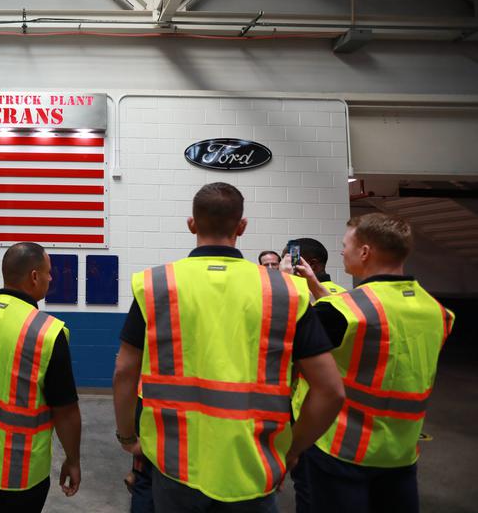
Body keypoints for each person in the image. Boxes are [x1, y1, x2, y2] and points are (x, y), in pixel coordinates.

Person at [113, 182, 346, 512]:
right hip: (254, 463)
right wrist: (292, 450)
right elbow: (331, 390)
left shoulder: (156, 285)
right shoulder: (286, 292)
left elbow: (125, 370)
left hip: (175, 461)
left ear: (191, 224)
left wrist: (127, 437)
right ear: (242, 226)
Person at [288, 213, 454, 513]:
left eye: (345, 245)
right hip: (401, 454)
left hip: (341, 452)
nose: (341, 251)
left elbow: (321, 331)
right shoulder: (438, 311)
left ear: (364, 252)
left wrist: (294, 446)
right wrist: (315, 285)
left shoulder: (344, 312)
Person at [0, 242, 81, 512]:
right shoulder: (48, 332)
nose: (51, 278)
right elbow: (66, 411)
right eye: (48, 272)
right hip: (21, 474)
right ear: (34, 277)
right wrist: (72, 459)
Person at [278, 236, 345, 513]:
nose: (284, 265)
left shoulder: (312, 299)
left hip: (313, 409)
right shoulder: (342, 295)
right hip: (333, 412)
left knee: (310, 488)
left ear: (311, 264)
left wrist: (286, 284)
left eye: (288, 259)